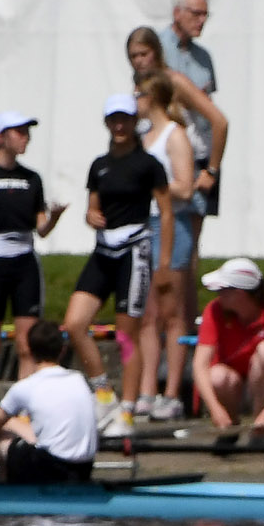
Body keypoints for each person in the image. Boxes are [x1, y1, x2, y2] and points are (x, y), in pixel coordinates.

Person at [65, 93, 173, 432]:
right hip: (103, 248)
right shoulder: (99, 165)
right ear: (107, 123)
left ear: (133, 121)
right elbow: (92, 207)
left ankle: (126, 409)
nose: (120, 125)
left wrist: (165, 260)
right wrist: (90, 216)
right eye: (114, 120)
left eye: (125, 119)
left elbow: (166, 212)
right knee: (74, 323)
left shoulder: (148, 164)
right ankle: (103, 395)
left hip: (134, 248)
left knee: (128, 334)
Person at [152, 0, 231, 368]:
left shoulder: (204, 58)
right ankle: (169, 347)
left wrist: (211, 169)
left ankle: (185, 345)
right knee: (165, 251)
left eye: (205, 14)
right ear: (177, 13)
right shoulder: (158, 49)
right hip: (169, 150)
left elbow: (212, 115)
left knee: (190, 253)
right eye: (196, 13)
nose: (202, 20)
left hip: (199, 155)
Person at [131, 72, 195, 418]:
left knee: (171, 312)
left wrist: (150, 184)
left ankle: (171, 391)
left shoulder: (175, 135)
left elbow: (185, 187)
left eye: (139, 95)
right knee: (146, 314)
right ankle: (146, 388)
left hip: (170, 223)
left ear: (151, 97)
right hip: (143, 225)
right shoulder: (142, 137)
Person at [0, 113, 60, 407]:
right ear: (1, 138)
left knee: (28, 344)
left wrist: (54, 216)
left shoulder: (32, 178)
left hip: (24, 262)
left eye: (27, 133)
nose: (25, 138)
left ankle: (23, 409)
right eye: (19, 132)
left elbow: (41, 228)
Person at [191, 258, 264, 442]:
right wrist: (215, 409)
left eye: (222, 290)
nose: (218, 295)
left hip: (260, 377)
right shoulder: (213, 310)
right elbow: (200, 366)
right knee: (217, 376)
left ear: (240, 293)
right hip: (229, 377)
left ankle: (260, 428)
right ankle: (229, 427)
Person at [0, 320, 99, 482]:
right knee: (10, 423)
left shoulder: (25, 387)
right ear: (62, 350)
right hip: (83, 467)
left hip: (50, 468)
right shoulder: (79, 379)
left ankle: (2, 496)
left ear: (29, 351)